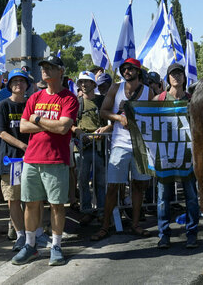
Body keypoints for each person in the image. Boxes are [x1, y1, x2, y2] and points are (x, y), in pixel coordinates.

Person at [11, 55, 78, 266]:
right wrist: (51, 124)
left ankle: (56, 246)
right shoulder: (35, 97)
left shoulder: (69, 98)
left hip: (56, 160)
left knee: (57, 205)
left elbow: (63, 127)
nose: (45, 70)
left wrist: (38, 119)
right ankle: (30, 246)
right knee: (31, 204)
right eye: (43, 67)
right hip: (32, 158)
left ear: (61, 71)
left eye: (50, 67)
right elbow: (23, 127)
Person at [91, 58, 153, 241]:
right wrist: (119, 118)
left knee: (139, 186)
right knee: (113, 187)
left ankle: (135, 224)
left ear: (138, 71)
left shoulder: (148, 92)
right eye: (124, 68)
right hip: (120, 144)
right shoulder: (115, 88)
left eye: (130, 68)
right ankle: (105, 226)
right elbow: (103, 111)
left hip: (140, 145)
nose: (126, 71)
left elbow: (155, 116)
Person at [153, 63, 200, 249]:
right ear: (168, 77)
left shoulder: (193, 99)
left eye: (179, 73)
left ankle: (192, 234)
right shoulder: (158, 99)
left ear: (184, 77)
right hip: (165, 154)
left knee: (191, 197)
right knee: (163, 198)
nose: (176, 77)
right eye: (173, 74)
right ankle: (164, 235)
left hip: (188, 155)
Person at [0, 69, 33, 250]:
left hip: (33, 160)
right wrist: (23, 146)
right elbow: (1, 132)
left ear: (27, 85)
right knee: (14, 199)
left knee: (32, 199)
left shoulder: (31, 104)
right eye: (15, 81)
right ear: (9, 85)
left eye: (22, 81)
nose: (18, 84)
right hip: (12, 161)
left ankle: (34, 233)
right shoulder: (2, 105)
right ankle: (20, 235)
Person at [72, 71, 110, 225]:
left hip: (100, 146)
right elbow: (69, 123)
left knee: (100, 181)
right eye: (81, 82)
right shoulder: (76, 103)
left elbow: (112, 120)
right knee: (82, 180)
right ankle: (86, 211)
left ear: (94, 84)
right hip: (82, 147)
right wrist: (78, 131)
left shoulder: (102, 101)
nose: (83, 84)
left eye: (87, 81)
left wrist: (105, 130)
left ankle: (101, 210)